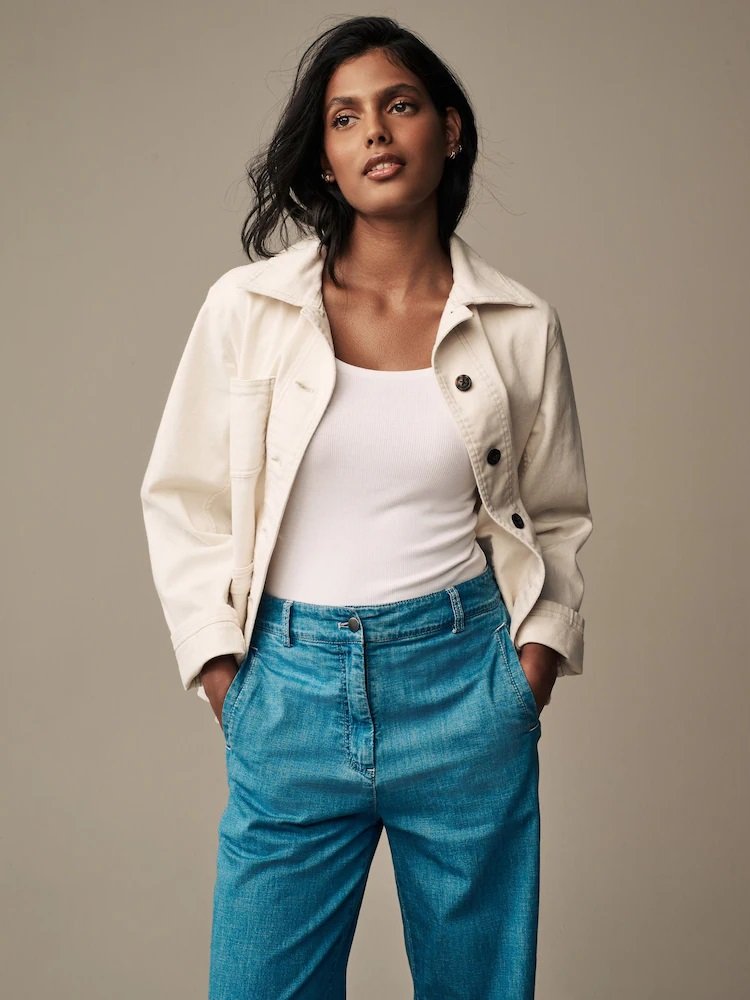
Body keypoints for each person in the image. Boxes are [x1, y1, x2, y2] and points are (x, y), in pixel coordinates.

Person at [139, 14, 593, 1000]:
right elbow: (183, 498)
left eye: (400, 105)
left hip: (465, 685)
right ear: (326, 157)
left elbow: (554, 515)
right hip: (288, 688)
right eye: (344, 118)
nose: (375, 132)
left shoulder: (519, 324)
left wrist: (529, 674)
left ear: (450, 129)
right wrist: (224, 676)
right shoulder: (248, 309)